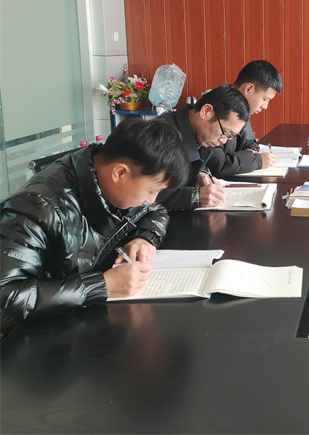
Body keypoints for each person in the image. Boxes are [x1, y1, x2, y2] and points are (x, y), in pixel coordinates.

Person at [0, 119, 188, 332]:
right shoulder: (37, 206)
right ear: (120, 173)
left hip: (82, 323)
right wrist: (102, 285)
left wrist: (145, 238)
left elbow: (155, 211)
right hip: (37, 339)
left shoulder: (108, 180)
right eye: (152, 191)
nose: (152, 199)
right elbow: (5, 301)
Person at [155, 85, 250, 210]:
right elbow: (144, 195)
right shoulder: (160, 136)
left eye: (230, 136)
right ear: (206, 111)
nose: (223, 141)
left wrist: (200, 173)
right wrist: (195, 197)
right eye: (225, 132)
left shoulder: (199, 134)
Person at [206, 60, 283, 176]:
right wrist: (256, 161)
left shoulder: (240, 108)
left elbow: (251, 143)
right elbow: (218, 164)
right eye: (265, 99)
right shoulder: (218, 109)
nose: (265, 106)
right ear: (248, 89)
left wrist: (248, 156)